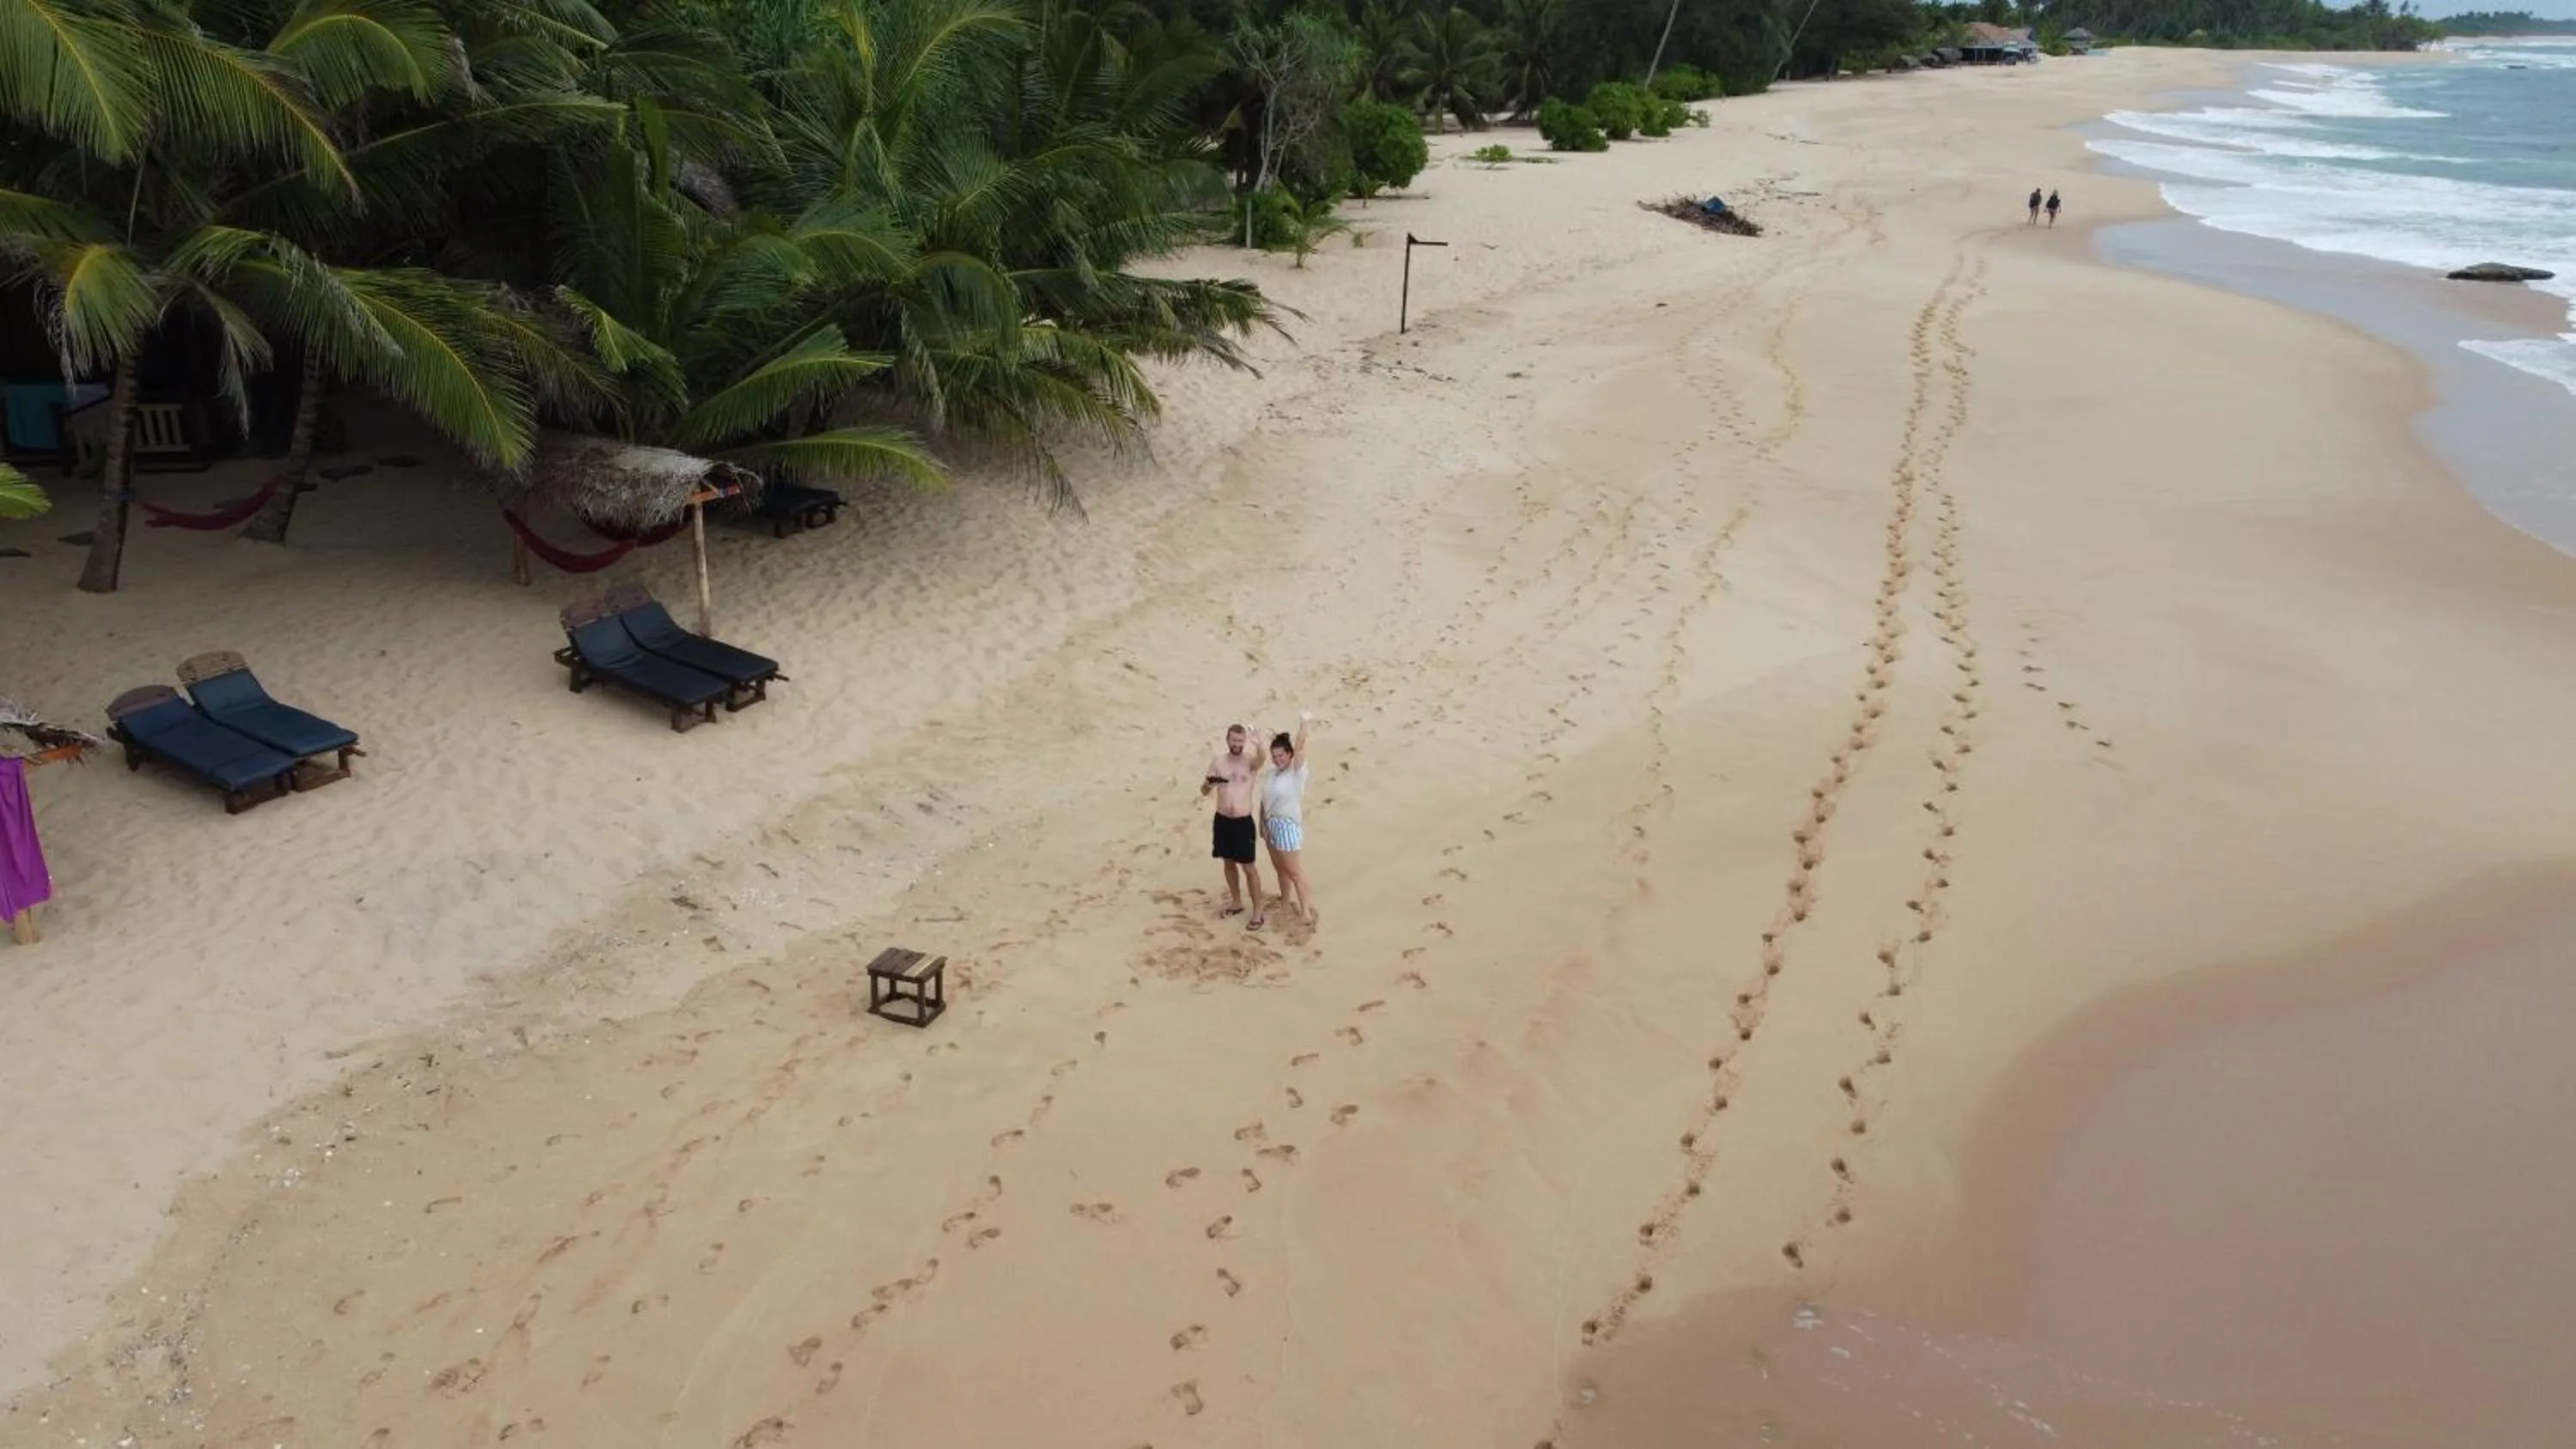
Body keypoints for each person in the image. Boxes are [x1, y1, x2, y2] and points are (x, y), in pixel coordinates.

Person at [1259, 712, 1317, 931]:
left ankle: (1306, 912)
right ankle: (1284, 902)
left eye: (1281, 755)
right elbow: (1264, 801)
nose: (1277, 759)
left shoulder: (1296, 772)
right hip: (1271, 825)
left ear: (1289, 755)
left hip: (1288, 826)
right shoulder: (1272, 774)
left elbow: (1301, 747)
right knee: (1280, 869)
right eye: (1275, 756)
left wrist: (1304, 723)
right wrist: (1262, 825)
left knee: (1294, 871)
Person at [1201, 724, 1263, 923]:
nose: (1237, 744)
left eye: (1240, 741)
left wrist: (1259, 743)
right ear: (1227, 740)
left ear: (1244, 742)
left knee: (1248, 867)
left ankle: (1258, 910)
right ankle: (1236, 902)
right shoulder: (1218, 761)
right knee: (1228, 862)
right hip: (1222, 820)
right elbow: (1204, 790)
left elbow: (1262, 758)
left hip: (1243, 822)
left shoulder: (1250, 762)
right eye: (1233, 740)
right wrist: (1209, 784)